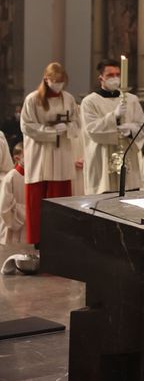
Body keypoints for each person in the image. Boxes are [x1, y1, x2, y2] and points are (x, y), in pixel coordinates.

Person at [20, 63, 83, 245]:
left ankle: (60, 238)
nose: (58, 85)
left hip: (61, 153)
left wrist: (67, 127)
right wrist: (50, 131)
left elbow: (77, 125)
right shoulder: (33, 99)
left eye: (61, 81)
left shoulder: (68, 99)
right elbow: (26, 126)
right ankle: (38, 240)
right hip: (40, 155)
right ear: (46, 79)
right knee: (37, 200)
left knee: (60, 197)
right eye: (55, 81)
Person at [80, 58, 144, 194]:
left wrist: (130, 130)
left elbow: (143, 126)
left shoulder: (132, 99)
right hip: (102, 160)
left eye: (117, 74)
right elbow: (92, 130)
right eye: (110, 75)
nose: (115, 78)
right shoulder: (90, 102)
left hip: (128, 162)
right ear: (101, 78)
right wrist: (113, 117)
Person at [0, 143, 24, 245]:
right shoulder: (10, 177)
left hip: (28, 227)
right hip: (13, 227)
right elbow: (4, 208)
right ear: (17, 158)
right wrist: (26, 212)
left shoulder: (35, 177)